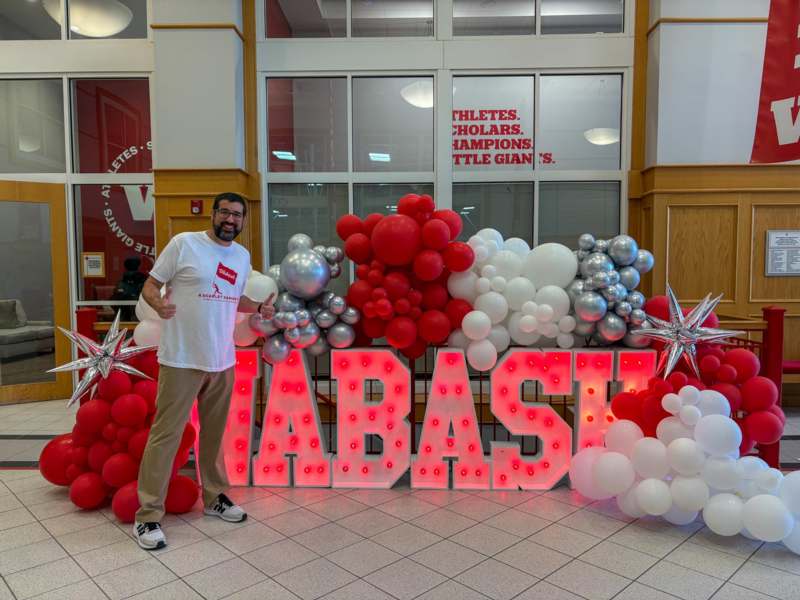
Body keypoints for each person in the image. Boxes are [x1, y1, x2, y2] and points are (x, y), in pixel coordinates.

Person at [133, 192, 275, 550]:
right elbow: (151, 285)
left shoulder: (241, 256)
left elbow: (232, 296)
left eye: (237, 215)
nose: (230, 220)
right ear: (213, 215)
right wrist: (158, 304)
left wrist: (258, 308)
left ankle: (214, 498)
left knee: (214, 436)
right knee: (165, 437)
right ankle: (148, 516)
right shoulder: (184, 244)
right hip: (181, 358)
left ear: (243, 221)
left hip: (222, 359)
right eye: (224, 212)